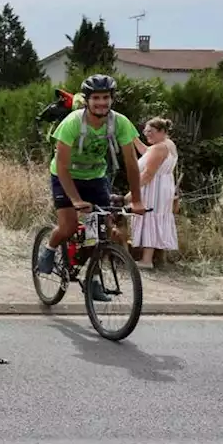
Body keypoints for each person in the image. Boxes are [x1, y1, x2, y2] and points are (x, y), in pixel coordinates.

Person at [35, 75, 146, 298]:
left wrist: (137, 199)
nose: (101, 102)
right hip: (65, 175)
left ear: (112, 99)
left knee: (101, 232)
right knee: (68, 227)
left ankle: (93, 279)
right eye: (96, 98)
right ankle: (48, 251)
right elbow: (64, 166)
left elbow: (132, 164)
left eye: (106, 97)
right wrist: (75, 200)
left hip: (95, 176)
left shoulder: (120, 123)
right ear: (87, 100)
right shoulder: (73, 123)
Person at [131, 117, 178, 269]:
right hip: (163, 187)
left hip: (154, 188)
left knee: (150, 218)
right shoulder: (167, 144)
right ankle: (157, 258)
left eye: (150, 131)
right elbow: (146, 152)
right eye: (145, 131)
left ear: (162, 131)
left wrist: (131, 193)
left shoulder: (160, 148)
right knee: (157, 218)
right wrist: (133, 137)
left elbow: (147, 174)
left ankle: (146, 260)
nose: (147, 134)